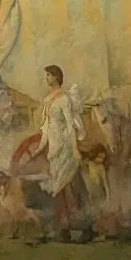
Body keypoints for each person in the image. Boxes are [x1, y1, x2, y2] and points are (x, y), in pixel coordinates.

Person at [38, 64, 89, 237]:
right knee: (58, 187)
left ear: (57, 77)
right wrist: (40, 147)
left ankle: (85, 226)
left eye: (49, 75)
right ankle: (63, 228)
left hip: (66, 147)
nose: (47, 78)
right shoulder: (47, 100)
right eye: (46, 75)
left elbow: (70, 125)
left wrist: (74, 148)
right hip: (54, 148)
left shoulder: (64, 99)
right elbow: (46, 127)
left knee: (74, 184)